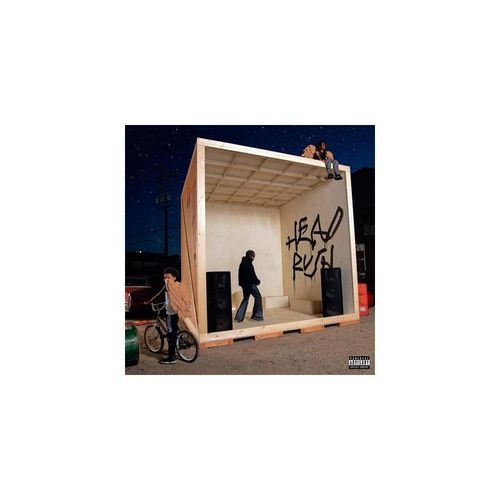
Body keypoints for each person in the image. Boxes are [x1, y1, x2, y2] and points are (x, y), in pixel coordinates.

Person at [144, 267, 180, 364]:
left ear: (174, 278)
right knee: (175, 330)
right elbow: (167, 299)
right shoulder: (176, 286)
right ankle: (179, 343)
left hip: (171, 314)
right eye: (165, 278)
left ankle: (172, 357)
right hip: (176, 313)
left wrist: (149, 302)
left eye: (168, 277)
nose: (166, 279)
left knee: (170, 335)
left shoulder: (170, 287)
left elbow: (158, 295)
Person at [235, 250, 264, 322]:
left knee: (245, 299)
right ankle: (257, 316)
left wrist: (243, 285)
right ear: (251, 256)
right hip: (250, 284)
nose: (254, 258)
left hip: (245, 285)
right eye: (254, 256)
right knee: (258, 297)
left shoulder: (242, 263)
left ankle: (239, 317)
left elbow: (242, 276)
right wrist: (257, 281)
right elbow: (252, 275)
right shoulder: (248, 264)